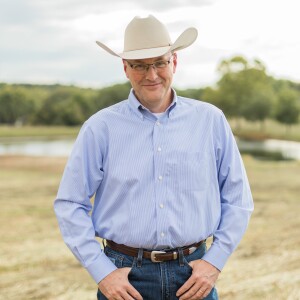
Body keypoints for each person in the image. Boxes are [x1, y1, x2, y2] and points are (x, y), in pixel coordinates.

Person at [54, 15, 254, 300]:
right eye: (140, 65)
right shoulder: (99, 128)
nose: (151, 75)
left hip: (194, 275)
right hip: (124, 278)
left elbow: (238, 199)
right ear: (125, 68)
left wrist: (214, 261)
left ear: (174, 62)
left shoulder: (210, 121)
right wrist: (102, 272)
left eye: (159, 62)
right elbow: (70, 204)